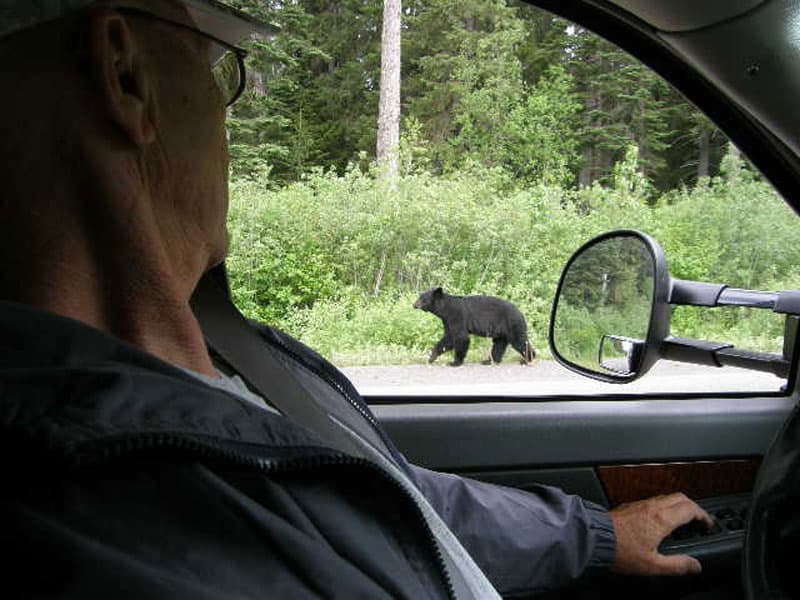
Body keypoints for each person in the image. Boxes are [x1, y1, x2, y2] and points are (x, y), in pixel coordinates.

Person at [0, 1, 713, 597]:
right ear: (124, 76)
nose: (227, 112)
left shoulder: (237, 364)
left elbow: (385, 505)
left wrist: (587, 533)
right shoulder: (95, 514)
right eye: (222, 68)